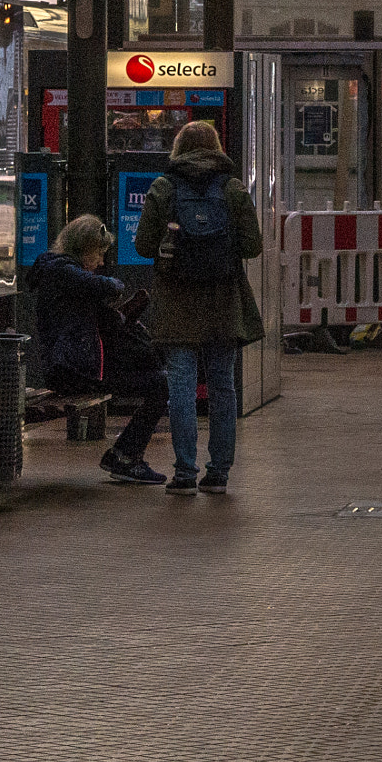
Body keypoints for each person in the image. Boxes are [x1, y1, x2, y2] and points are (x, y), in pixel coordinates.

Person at [134, 120, 264, 495]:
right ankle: (219, 473)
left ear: (178, 148)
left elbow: (143, 247)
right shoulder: (233, 189)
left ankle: (185, 473)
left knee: (181, 386)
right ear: (216, 147)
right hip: (224, 301)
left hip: (177, 302)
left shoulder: (164, 188)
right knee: (223, 386)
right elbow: (253, 246)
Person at [29, 214, 169, 485]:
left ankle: (126, 454)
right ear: (84, 248)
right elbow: (108, 286)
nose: (101, 262)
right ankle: (126, 456)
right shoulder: (61, 271)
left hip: (79, 365)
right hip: (73, 370)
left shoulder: (64, 274)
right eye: (99, 254)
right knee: (160, 385)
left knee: (157, 377)